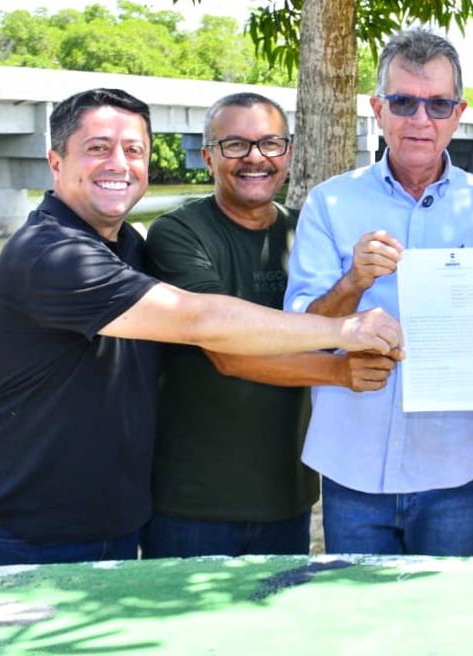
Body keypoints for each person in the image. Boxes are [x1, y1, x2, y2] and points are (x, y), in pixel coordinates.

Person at [0, 88, 401, 569]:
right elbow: (199, 321)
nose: (119, 163)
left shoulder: (125, 245)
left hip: (114, 520)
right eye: (98, 148)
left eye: (134, 150)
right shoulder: (53, 254)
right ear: (55, 163)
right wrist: (345, 333)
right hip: (23, 527)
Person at [284, 28, 473, 557]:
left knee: (447, 609)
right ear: (378, 109)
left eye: (438, 104)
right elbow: (303, 333)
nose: (421, 119)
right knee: (360, 608)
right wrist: (353, 281)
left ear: (458, 114)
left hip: (457, 465)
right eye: (404, 102)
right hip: (352, 463)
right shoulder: (330, 204)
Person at [141, 93, 396, 559]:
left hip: (287, 496)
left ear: (289, 153)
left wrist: (356, 281)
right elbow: (226, 353)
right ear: (208, 157)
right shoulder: (178, 232)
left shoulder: (305, 231)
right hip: (192, 502)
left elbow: (318, 331)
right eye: (235, 144)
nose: (255, 157)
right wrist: (340, 372)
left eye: (270, 143)